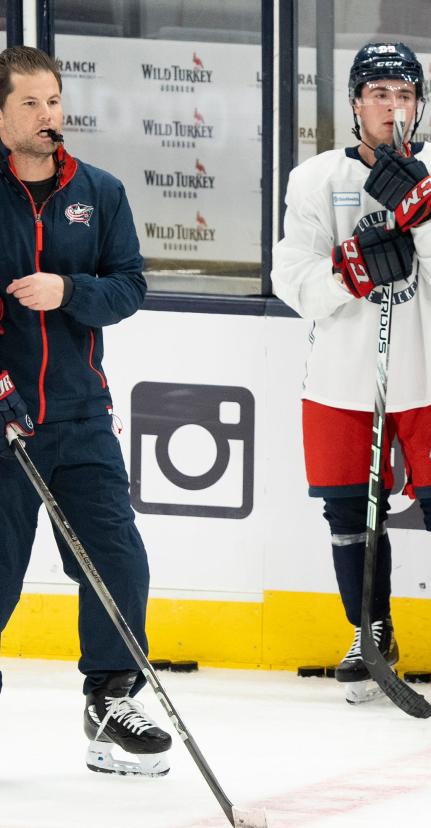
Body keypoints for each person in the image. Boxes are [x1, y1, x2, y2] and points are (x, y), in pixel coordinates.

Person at [271, 42, 431, 707]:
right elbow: (289, 278)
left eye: (404, 95)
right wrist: (349, 271)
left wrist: (424, 215)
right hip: (341, 381)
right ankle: (369, 630)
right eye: (378, 95)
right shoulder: (313, 179)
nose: (392, 108)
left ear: (420, 104)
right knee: (350, 517)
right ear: (355, 104)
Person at [0, 45, 172, 776]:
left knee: (117, 561)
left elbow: (130, 285)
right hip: (4, 426)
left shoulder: (98, 191)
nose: (50, 117)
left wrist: (70, 293)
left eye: (55, 101)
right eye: (33, 103)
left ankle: (110, 702)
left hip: (79, 419)